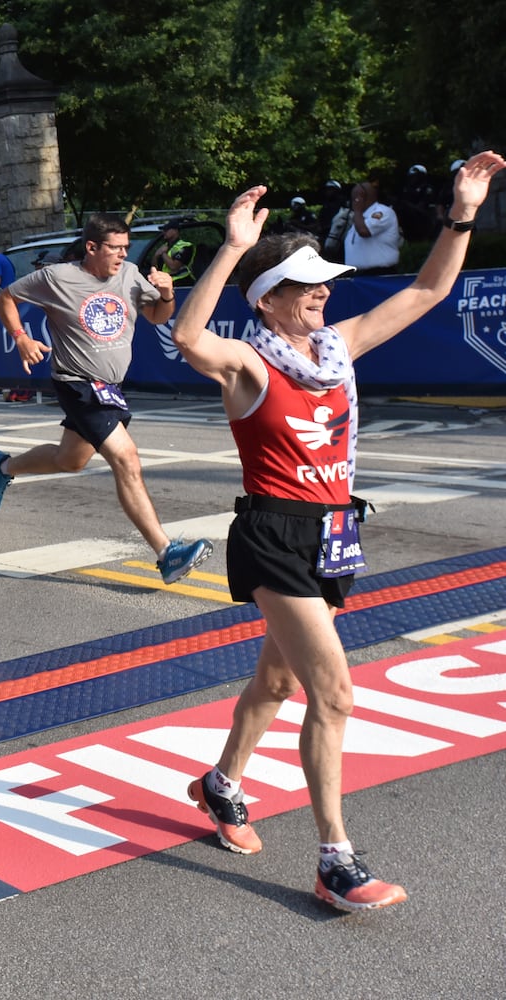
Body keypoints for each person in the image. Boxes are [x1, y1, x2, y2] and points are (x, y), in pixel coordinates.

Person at [168, 151, 503, 913]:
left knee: (277, 680)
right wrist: (228, 247)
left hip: (331, 536)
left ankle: (219, 786)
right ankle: (334, 859)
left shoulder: (336, 348)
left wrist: (461, 214)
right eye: (306, 282)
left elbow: (426, 288)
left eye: (324, 280)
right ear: (268, 300)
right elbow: (188, 339)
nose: (323, 289)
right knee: (334, 693)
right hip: (272, 536)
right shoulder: (249, 366)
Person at [0, 214, 215, 585]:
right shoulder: (57, 277)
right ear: (92, 247)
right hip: (78, 382)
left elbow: (157, 317)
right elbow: (6, 296)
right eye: (116, 248)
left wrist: (168, 293)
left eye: (126, 248)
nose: (123, 255)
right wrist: (21, 336)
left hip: (110, 387)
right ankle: (166, 552)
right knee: (127, 458)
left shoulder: (131, 274)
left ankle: (3, 467)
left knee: (70, 460)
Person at [342, 180, 400, 274]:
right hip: (358, 275)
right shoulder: (360, 216)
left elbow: (364, 231)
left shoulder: (383, 212)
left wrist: (357, 210)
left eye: (354, 198)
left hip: (379, 274)